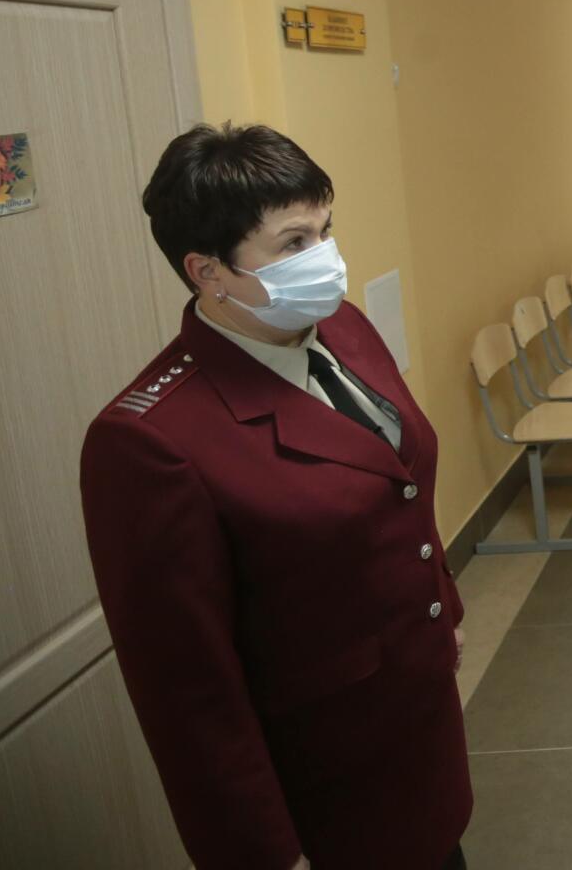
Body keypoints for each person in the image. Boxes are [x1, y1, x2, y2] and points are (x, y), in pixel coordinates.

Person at [80, 123, 472, 870]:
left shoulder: (341, 329)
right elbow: (187, 694)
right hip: (327, 789)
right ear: (208, 271)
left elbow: (399, 481)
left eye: (325, 230)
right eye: (294, 243)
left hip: (418, 735)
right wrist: (261, 853)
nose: (326, 258)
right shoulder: (152, 441)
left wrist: (440, 609)